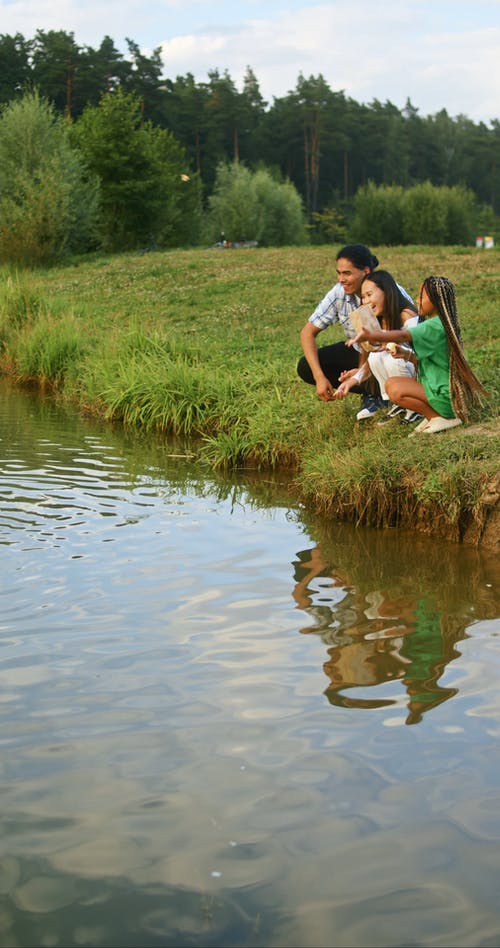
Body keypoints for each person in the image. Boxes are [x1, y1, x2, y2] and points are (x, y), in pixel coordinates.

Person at [347, 275, 487, 436]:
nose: (417, 300)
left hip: (443, 396)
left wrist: (374, 336)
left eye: (422, 296)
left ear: (435, 300)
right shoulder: (438, 324)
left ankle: (438, 417)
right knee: (393, 384)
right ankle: (433, 416)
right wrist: (405, 354)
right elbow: (425, 360)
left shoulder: (433, 326)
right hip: (440, 392)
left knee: (395, 388)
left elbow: (403, 336)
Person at [297, 244, 413, 420]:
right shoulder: (339, 293)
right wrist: (320, 377)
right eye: (339, 273)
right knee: (306, 366)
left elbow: (409, 339)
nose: (341, 279)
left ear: (365, 271)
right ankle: (371, 391)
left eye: (347, 273)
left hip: (398, 353)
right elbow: (307, 333)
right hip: (364, 353)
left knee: (382, 356)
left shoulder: (389, 291)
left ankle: (385, 396)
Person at [332, 269, 423, 425]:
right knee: (375, 355)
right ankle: (400, 403)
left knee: (392, 358)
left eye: (369, 295)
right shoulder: (381, 319)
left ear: (386, 292)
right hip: (406, 375)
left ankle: (416, 406)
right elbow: (373, 359)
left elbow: (422, 355)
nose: (366, 301)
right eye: (363, 297)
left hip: (423, 377)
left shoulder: (407, 316)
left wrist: (398, 350)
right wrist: (352, 381)